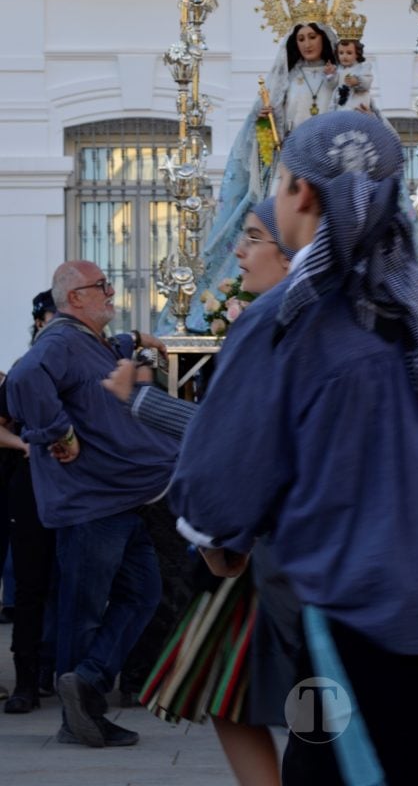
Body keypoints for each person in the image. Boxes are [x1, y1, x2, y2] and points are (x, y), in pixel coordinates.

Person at [166, 111, 418, 785]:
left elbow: (219, 483)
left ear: (302, 194)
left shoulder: (287, 320)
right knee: (417, 750)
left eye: (281, 180)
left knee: (353, 763)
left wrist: (218, 543)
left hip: (357, 599)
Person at [104, 198, 295, 786]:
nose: (237, 251)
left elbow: (241, 438)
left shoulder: (288, 327)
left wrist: (142, 400)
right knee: (225, 691)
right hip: (262, 545)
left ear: (294, 255)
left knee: (312, 710)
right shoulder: (273, 321)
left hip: (294, 546)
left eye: (255, 237)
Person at [6, 261, 180, 748]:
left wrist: (139, 337)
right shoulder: (58, 342)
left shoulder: (90, 342)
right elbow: (23, 379)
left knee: (142, 594)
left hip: (122, 500)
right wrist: (55, 433)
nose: (110, 291)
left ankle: (87, 684)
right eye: (100, 287)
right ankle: (78, 717)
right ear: (74, 298)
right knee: (83, 612)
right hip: (91, 504)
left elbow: (105, 361)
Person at [167, 20, 337, 336]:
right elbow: (270, 136)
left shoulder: (337, 78)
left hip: (327, 167)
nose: (307, 43)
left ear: (325, 40)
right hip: (292, 167)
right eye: (300, 38)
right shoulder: (289, 80)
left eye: (313, 36)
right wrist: (265, 123)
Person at [0, 290, 58, 715]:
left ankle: (49, 672)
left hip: (68, 489)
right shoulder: (23, 370)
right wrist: (26, 446)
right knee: (30, 584)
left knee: (59, 584)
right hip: (26, 488)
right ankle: (27, 680)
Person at [324, 37, 373, 111]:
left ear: (357, 53)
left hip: (357, 102)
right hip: (340, 102)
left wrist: (357, 81)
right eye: (341, 53)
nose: (344, 56)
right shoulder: (338, 69)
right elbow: (332, 85)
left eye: (349, 53)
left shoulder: (362, 68)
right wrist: (330, 74)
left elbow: (367, 82)